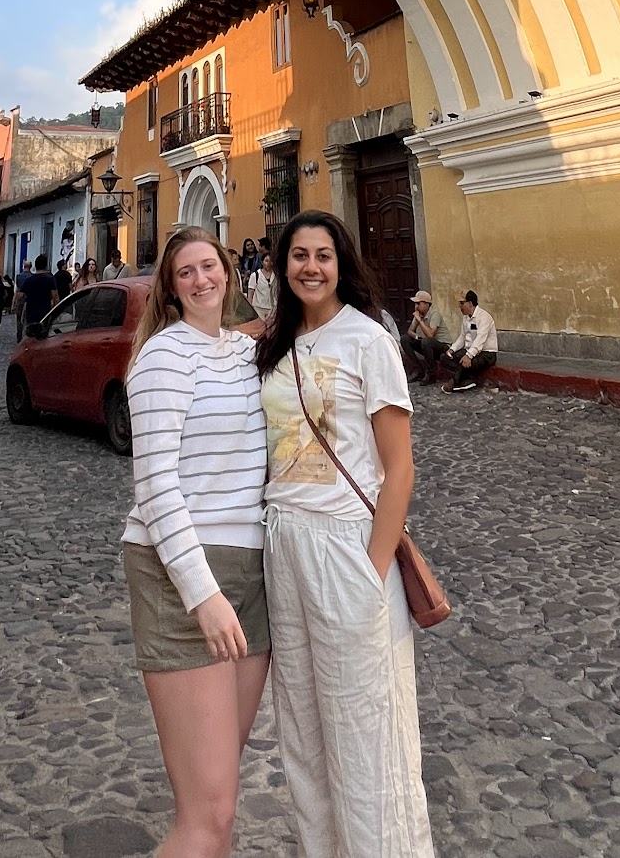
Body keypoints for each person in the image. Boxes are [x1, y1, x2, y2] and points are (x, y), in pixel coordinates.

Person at [257, 210, 434, 858]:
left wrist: (373, 568)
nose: (309, 266)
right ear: (281, 266)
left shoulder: (367, 341)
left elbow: (400, 468)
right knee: (301, 729)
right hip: (286, 546)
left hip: (345, 548)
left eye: (322, 255)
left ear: (341, 264)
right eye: (298, 255)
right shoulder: (275, 345)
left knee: (364, 732)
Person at [123, 226, 270, 858]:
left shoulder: (244, 351)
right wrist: (203, 595)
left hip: (253, 574)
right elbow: (156, 487)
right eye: (186, 272)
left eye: (210, 266)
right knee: (206, 820)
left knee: (221, 800)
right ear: (171, 289)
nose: (202, 279)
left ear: (228, 273)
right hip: (186, 577)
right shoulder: (162, 357)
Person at [442, 290, 498, 392]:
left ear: (470, 303)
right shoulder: (465, 318)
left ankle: (454, 381)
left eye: (462, 303)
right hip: (469, 350)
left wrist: (469, 355)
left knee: (470, 361)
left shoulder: (484, 317)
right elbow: (462, 337)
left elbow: (480, 339)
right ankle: (467, 380)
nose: (459, 306)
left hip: (486, 353)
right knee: (444, 358)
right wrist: (452, 349)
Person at [402, 290, 445, 384]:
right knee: (405, 339)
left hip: (443, 346)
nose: (416, 307)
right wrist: (416, 337)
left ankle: (431, 374)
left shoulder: (434, 314)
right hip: (428, 345)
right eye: (415, 304)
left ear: (427, 304)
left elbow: (430, 335)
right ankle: (418, 370)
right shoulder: (419, 314)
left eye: (418, 303)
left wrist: (420, 321)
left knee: (426, 341)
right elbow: (410, 331)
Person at [20, 254, 59, 334]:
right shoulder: (50, 279)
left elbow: (21, 296)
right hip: (45, 313)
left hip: (31, 314)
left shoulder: (29, 280)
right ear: (46, 265)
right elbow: (55, 297)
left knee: (31, 335)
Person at [247, 250, 277, 321]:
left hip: (272, 308)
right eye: (266, 261)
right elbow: (250, 294)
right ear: (262, 262)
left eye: (271, 261)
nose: (269, 263)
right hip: (258, 308)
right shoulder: (255, 275)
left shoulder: (276, 276)